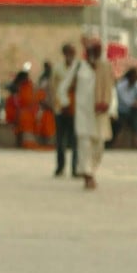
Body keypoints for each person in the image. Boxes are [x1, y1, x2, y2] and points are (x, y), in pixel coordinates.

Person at [57, 37, 115, 190]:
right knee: (84, 145)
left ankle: (91, 171)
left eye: (96, 50)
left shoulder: (105, 67)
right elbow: (63, 87)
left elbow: (111, 90)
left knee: (99, 147)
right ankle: (87, 175)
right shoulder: (78, 67)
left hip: (100, 114)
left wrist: (112, 108)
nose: (93, 53)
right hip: (83, 114)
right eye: (90, 50)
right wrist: (65, 104)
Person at [50, 43, 78, 176]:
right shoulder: (57, 68)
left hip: (75, 109)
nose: (70, 55)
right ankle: (60, 167)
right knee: (60, 140)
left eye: (72, 53)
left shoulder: (78, 68)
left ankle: (75, 168)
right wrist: (57, 104)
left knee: (75, 140)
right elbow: (53, 88)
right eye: (67, 52)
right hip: (61, 108)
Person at [115, 66, 137, 149]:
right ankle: (136, 137)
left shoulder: (135, 86)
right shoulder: (121, 86)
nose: (136, 79)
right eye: (135, 76)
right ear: (130, 77)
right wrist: (136, 104)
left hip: (132, 111)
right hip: (121, 112)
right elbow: (125, 101)